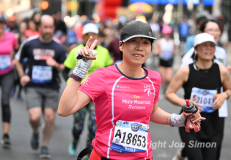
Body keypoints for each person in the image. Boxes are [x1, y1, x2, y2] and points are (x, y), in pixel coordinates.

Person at [58, 20, 204, 160]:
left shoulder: (154, 78)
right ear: (121, 46)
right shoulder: (103, 76)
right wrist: (79, 71)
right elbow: (64, 110)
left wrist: (178, 120)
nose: (139, 47)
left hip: (143, 157)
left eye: (145, 43)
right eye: (133, 41)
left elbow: (152, 112)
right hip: (107, 156)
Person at [166, 33, 231, 160]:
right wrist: (186, 103)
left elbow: (229, 89)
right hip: (190, 124)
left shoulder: (222, 71)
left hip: (214, 125)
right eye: (204, 45)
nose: (208, 48)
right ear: (195, 49)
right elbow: (169, 93)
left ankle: (180, 156)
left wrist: (224, 94)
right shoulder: (186, 71)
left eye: (212, 46)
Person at [15, 15, 66, 159]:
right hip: (33, 86)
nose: (48, 30)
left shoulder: (58, 46)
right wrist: (21, 76)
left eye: (50, 27)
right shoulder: (30, 43)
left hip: (51, 87)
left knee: (50, 118)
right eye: (45, 27)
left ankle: (44, 146)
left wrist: (55, 64)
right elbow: (17, 61)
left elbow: (63, 67)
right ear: (40, 28)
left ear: (53, 28)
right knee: (35, 117)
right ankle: (35, 131)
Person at [62, 23, 113, 159]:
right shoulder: (76, 51)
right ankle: (75, 140)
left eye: (93, 34)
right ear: (83, 36)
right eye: (87, 34)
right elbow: (65, 71)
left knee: (93, 127)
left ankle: (88, 153)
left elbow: (110, 71)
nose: (90, 36)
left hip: (97, 96)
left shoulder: (104, 52)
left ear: (97, 36)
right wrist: (71, 85)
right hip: (80, 93)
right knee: (78, 126)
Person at [0, 15, 19, 147]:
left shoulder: (11, 37)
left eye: (1, 24)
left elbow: (17, 50)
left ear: (5, 25)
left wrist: (15, 60)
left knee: (5, 101)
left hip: (7, 72)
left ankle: (6, 134)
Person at [154, 25, 176, 95]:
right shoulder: (160, 41)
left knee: (169, 78)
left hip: (169, 61)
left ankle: (166, 86)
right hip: (162, 61)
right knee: (163, 78)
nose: (167, 35)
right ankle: (163, 88)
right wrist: (160, 50)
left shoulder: (173, 42)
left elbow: (175, 51)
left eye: (168, 34)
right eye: (166, 34)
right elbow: (155, 51)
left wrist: (173, 51)